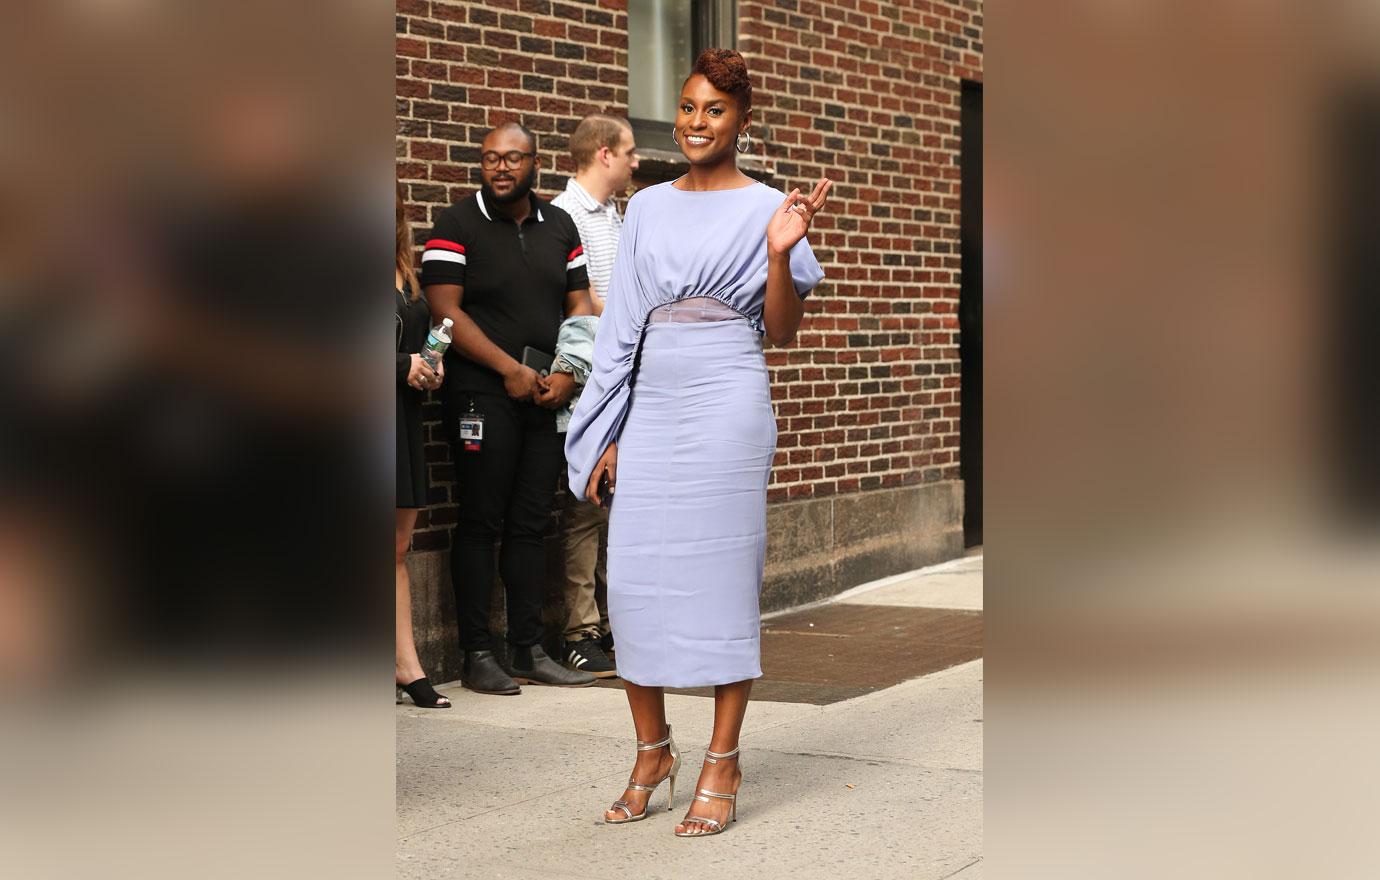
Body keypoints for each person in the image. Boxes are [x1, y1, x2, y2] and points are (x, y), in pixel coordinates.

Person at [565, 50, 831, 836]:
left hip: (728, 396)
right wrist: (604, 430)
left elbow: (780, 333)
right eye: (686, 108)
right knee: (636, 580)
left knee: (721, 575)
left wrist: (780, 253)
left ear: (742, 120)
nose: (695, 123)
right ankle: (653, 750)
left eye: (714, 110)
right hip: (653, 398)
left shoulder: (767, 208)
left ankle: (722, 758)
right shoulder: (645, 207)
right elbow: (618, 331)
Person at [422, 122, 598, 695]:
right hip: (481, 394)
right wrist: (508, 370)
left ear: (535, 165)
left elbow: (580, 303)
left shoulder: (560, 226)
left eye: (513, 158)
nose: (500, 167)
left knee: (530, 523)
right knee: (480, 520)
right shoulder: (456, 223)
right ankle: (478, 652)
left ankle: (526, 648)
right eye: (491, 158)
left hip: (546, 394)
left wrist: (569, 372)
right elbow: (444, 312)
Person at [549, 114, 640, 679]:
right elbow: (580, 304)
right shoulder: (563, 216)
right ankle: (580, 631)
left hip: (623, 371)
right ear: (604, 154)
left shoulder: (617, 213)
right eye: (629, 152)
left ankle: (610, 623)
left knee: (616, 504)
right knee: (584, 503)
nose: (637, 161)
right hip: (587, 376)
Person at [394, 180, 450, 708]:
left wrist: (429, 368)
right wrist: (400, 364)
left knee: (396, 549)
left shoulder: (405, 268)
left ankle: (405, 665)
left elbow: (419, 342)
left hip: (401, 419)